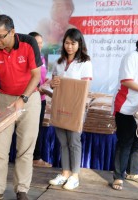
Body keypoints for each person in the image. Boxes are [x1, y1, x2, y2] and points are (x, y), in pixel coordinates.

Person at [0, 14, 42, 200]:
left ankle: (22, 189)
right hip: (2, 98)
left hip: (29, 98)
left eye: (1, 36)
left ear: (12, 32)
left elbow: (36, 75)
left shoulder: (29, 43)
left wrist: (22, 99)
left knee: (25, 147)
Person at [49, 28, 92, 190]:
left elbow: (84, 88)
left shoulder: (85, 62)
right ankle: (65, 173)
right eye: (67, 43)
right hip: (60, 105)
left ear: (79, 44)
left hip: (76, 107)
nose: (69, 46)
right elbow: (53, 84)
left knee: (74, 141)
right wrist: (53, 84)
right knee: (63, 141)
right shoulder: (59, 62)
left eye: (73, 43)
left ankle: (75, 175)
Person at [111, 31, 138, 191]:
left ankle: (133, 172)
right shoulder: (131, 57)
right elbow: (127, 81)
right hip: (125, 107)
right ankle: (118, 176)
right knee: (125, 142)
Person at [28, 31, 52, 168]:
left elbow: (41, 77)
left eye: (41, 43)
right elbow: (28, 79)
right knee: (31, 129)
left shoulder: (42, 58)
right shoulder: (27, 58)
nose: (39, 45)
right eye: (36, 43)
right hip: (31, 98)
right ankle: (34, 158)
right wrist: (38, 87)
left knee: (38, 128)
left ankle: (35, 157)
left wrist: (46, 82)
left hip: (41, 98)